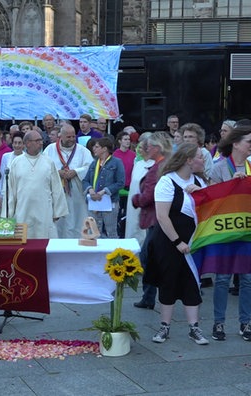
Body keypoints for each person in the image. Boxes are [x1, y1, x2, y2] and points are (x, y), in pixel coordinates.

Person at [147, 143, 209, 345]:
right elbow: (162, 216)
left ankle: (194, 328)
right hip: (169, 242)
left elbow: (211, 207)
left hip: (193, 242)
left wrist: (200, 192)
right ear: (189, 160)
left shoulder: (200, 180)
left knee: (192, 283)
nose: (203, 159)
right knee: (168, 282)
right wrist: (177, 241)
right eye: (200, 156)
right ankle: (164, 326)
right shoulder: (167, 181)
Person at [208, 125, 251, 342]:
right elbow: (212, 201)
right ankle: (218, 322)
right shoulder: (219, 168)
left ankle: (245, 322)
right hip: (225, 231)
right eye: (249, 141)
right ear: (236, 143)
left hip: (248, 231)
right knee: (222, 279)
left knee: (248, 279)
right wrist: (233, 185)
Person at [132, 132, 173, 310]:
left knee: (147, 258)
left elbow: (149, 196)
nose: (145, 150)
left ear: (157, 148)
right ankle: (151, 295)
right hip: (163, 217)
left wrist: (136, 199)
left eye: (148, 147)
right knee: (154, 257)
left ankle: (151, 296)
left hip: (155, 218)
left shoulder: (157, 168)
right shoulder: (166, 164)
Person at [5, 130, 69, 238]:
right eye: (38, 140)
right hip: (23, 210)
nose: (41, 143)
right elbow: (11, 191)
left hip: (44, 210)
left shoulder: (48, 162)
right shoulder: (16, 162)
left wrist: (57, 211)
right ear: (28, 143)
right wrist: (9, 214)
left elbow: (56, 188)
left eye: (41, 140)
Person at [43, 124, 93, 238]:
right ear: (61, 136)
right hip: (56, 191)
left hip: (76, 192)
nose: (71, 139)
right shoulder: (50, 149)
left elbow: (90, 167)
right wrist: (57, 172)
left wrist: (76, 171)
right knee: (59, 221)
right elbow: (44, 167)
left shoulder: (83, 151)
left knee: (77, 218)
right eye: (68, 137)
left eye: (73, 137)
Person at [82, 137, 125, 238]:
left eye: (97, 147)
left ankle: (114, 253)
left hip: (109, 201)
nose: (94, 149)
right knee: (94, 231)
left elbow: (120, 182)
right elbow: (85, 180)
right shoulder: (94, 163)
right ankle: (96, 253)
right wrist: (90, 189)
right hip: (94, 202)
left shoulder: (117, 162)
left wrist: (104, 191)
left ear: (104, 149)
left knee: (111, 231)